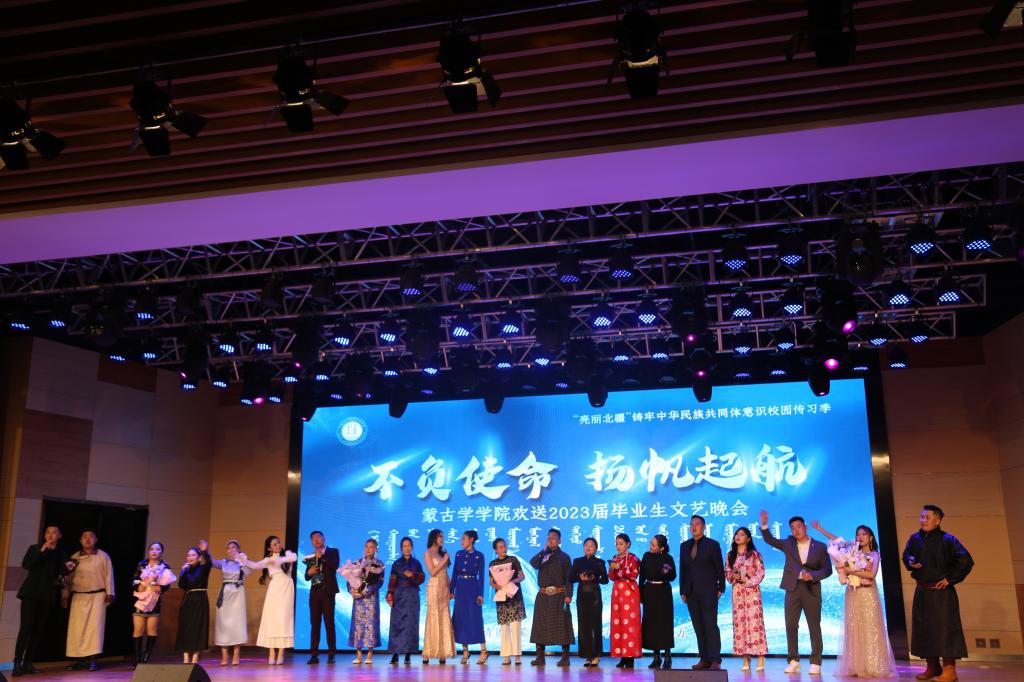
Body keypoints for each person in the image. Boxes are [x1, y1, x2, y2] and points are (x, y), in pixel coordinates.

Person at [811, 520, 895, 678]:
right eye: (858, 534)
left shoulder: (874, 554)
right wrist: (820, 529)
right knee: (854, 628)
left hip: (868, 593)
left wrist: (851, 571)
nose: (860, 537)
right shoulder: (852, 550)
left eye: (864, 534)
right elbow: (836, 541)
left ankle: (873, 665)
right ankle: (856, 665)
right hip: (852, 592)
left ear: (871, 537)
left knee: (870, 627)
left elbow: (871, 574)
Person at [902, 505, 973, 682]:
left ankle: (950, 670)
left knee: (945, 630)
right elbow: (906, 555)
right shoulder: (915, 538)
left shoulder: (948, 539)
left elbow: (966, 560)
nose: (923, 520)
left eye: (927, 517)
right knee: (925, 630)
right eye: (921, 517)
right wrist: (910, 561)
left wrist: (950, 579)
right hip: (922, 591)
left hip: (941, 593)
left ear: (937, 520)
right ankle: (932, 667)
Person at [760, 509, 833, 675]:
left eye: (798, 526)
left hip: (811, 588)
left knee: (814, 625)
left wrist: (813, 576)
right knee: (790, 625)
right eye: (792, 528)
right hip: (792, 588)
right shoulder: (788, 543)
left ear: (805, 527)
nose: (796, 530)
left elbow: (827, 570)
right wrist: (764, 525)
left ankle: (816, 661)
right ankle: (793, 660)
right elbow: (770, 540)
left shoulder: (820, 546)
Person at [13, 526, 69, 677]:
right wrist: (41, 551)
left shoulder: (61, 554)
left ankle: (28, 662)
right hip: (31, 593)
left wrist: (67, 573)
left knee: (38, 630)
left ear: (59, 536)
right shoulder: (34, 548)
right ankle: (17, 662)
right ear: (44, 535)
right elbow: (26, 564)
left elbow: (63, 574)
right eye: (48, 532)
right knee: (26, 627)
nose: (51, 535)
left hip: (47, 595)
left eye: (54, 532)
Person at [63, 529, 115, 671]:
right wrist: (65, 595)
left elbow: (109, 574)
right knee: (77, 629)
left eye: (90, 537)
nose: (87, 539)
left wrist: (110, 593)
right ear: (80, 540)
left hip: (97, 596)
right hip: (79, 596)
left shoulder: (103, 556)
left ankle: (92, 660)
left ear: (96, 540)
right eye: (84, 537)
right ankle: (80, 660)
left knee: (95, 629)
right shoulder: (74, 557)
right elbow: (68, 578)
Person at [679, 515, 725, 671]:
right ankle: (704, 659)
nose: (694, 527)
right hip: (691, 592)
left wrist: (721, 587)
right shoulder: (684, 546)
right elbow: (683, 569)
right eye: (691, 524)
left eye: (697, 524)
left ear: (704, 527)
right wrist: (683, 591)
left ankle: (715, 659)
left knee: (710, 626)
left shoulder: (712, 545)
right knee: (698, 627)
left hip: (708, 591)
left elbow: (719, 567)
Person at [245, 535, 297, 665]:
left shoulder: (287, 556)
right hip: (275, 588)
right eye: (274, 544)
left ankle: (281, 652)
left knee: (284, 619)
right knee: (273, 619)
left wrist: (285, 558)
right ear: (269, 548)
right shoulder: (268, 560)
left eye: (278, 543)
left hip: (287, 587)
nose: (278, 545)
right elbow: (255, 566)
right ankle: (272, 652)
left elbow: (293, 559)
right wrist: (243, 559)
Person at [529, 528, 574, 667]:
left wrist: (569, 595)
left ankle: (565, 657)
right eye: (549, 537)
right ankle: (540, 657)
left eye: (554, 538)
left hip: (559, 594)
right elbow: (533, 563)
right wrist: (543, 552)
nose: (550, 540)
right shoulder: (543, 556)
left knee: (562, 625)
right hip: (543, 595)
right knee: (540, 625)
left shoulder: (564, 557)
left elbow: (569, 578)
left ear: (559, 541)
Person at [726, 527, 767, 672]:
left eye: (742, 535)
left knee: (755, 624)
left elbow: (761, 572)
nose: (738, 536)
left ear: (748, 538)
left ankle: (760, 657)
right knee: (740, 624)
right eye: (737, 534)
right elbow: (727, 572)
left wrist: (748, 582)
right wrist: (733, 577)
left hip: (752, 592)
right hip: (737, 592)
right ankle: (745, 658)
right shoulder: (730, 555)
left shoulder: (755, 554)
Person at [130, 541, 175, 669]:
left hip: (154, 601)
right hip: (141, 600)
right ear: (149, 551)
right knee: (138, 630)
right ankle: (137, 659)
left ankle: (146, 657)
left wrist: (161, 588)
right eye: (152, 549)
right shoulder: (142, 565)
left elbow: (167, 584)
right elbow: (134, 579)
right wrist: (138, 586)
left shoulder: (165, 567)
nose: (154, 551)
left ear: (162, 552)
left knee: (151, 630)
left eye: (157, 549)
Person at [210, 540, 250, 666]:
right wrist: (206, 551)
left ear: (238, 549)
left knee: (237, 623)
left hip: (238, 592)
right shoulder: (224, 562)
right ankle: (224, 655)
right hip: (225, 592)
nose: (231, 550)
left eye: (233, 547)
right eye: (228, 548)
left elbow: (249, 572)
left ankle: (236, 655)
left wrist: (242, 561)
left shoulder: (243, 560)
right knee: (223, 623)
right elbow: (212, 562)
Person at [570, 537, 608, 668]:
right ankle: (587, 655)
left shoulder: (600, 562)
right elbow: (571, 578)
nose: (588, 547)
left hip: (595, 596)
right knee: (583, 626)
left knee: (595, 625)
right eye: (586, 545)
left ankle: (596, 655)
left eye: (591, 545)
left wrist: (594, 578)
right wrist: (579, 577)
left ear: (596, 548)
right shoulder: (577, 561)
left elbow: (605, 580)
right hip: (582, 596)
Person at [345, 538, 384, 664]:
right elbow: (349, 579)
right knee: (358, 625)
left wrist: (367, 590)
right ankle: (359, 655)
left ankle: (370, 654)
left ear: (376, 549)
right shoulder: (358, 562)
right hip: (358, 600)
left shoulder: (379, 564)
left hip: (371, 599)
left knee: (371, 625)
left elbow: (380, 582)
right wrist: (352, 589)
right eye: (367, 546)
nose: (368, 549)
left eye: (371, 547)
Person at [386, 537, 425, 665]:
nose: (407, 548)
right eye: (404, 546)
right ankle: (395, 654)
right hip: (399, 595)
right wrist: (390, 595)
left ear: (412, 547)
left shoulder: (416, 563)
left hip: (412, 595)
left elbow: (421, 579)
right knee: (397, 624)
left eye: (409, 546)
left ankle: (408, 654)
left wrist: (412, 575)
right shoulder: (396, 563)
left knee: (410, 625)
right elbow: (392, 581)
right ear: (401, 548)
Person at [640, 534, 676, 669]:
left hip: (663, 591)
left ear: (661, 548)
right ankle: (656, 657)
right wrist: (641, 594)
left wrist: (667, 572)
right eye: (650, 543)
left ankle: (667, 656)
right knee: (651, 624)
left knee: (664, 623)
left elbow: (673, 576)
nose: (650, 546)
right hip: (649, 591)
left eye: (654, 545)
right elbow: (642, 576)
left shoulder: (668, 558)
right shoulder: (646, 556)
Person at [304, 530, 340, 665]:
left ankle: (331, 654)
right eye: (313, 538)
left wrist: (322, 557)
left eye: (318, 537)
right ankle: (314, 655)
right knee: (315, 625)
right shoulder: (310, 557)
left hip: (328, 592)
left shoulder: (333, 552)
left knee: (329, 624)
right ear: (312, 542)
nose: (316, 540)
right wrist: (309, 572)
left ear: (324, 538)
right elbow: (306, 577)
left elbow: (334, 566)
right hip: (315, 594)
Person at [452, 530, 487, 663]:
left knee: (475, 618)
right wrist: (451, 590)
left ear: (471, 539)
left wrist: (480, 594)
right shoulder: (458, 554)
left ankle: (483, 651)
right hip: (460, 588)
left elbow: (481, 576)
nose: (462, 541)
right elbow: (454, 573)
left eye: (464, 539)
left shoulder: (479, 556)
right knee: (461, 619)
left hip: (473, 588)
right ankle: (465, 651)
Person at [489, 538, 526, 665]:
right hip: (502, 597)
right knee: (504, 627)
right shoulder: (493, 563)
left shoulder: (513, 560)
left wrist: (511, 581)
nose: (503, 549)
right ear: (495, 550)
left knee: (516, 626)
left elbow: (522, 576)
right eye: (500, 547)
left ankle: (517, 656)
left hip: (514, 596)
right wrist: (498, 586)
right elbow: (491, 581)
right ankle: (506, 656)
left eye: (504, 546)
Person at [175, 541, 213, 664]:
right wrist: (182, 572)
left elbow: (210, 563)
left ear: (199, 557)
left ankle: (195, 656)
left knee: (198, 627)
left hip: (200, 600)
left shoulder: (203, 568)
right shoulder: (186, 570)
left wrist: (205, 551)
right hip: (188, 600)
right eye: (188, 555)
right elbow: (182, 585)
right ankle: (186, 656)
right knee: (186, 627)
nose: (190, 557)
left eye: (193, 555)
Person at [421, 529, 455, 664]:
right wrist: (445, 560)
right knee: (433, 617)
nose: (442, 539)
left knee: (444, 618)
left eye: (442, 536)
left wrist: (451, 589)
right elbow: (432, 572)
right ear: (433, 538)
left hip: (443, 589)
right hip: (434, 588)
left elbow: (445, 573)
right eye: (440, 536)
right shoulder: (428, 553)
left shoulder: (442, 553)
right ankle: (428, 652)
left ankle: (442, 652)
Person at [608, 532, 640, 668]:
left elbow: (634, 574)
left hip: (629, 591)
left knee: (629, 623)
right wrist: (612, 569)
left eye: (621, 544)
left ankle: (630, 657)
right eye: (617, 543)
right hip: (617, 591)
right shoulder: (615, 558)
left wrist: (619, 568)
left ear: (628, 544)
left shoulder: (633, 558)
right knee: (618, 623)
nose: (618, 546)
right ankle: (622, 656)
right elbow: (611, 576)